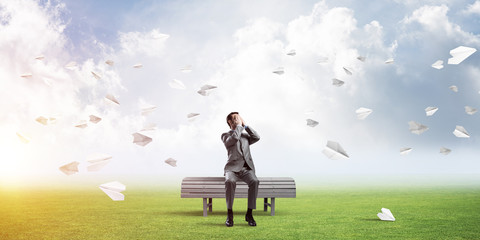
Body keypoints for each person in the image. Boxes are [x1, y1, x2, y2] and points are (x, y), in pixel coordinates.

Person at [221, 112, 260, 227]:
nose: (236, 119)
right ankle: (229, 214)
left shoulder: (245, 136)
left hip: (246, 168)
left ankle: (249, 214)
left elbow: (257, 137)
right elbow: (234, 139)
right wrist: (239, 126)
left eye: (238, 117)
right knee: (229, 181)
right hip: (232, 169)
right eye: (234, 118)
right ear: (229, 122)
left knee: (255, 181)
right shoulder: (225, 135)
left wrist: (245, 125)